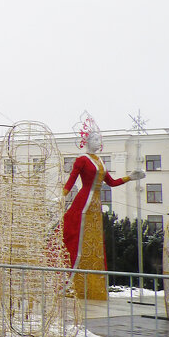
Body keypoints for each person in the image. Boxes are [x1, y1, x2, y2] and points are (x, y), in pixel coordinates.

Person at [62, 114, 144, 300]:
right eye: (95, 138)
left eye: (100, 139)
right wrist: (62, 196)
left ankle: (91, 286)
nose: (98, 142)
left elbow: (112, 183)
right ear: (87, 140)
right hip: (84, 202)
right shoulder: (82, 160)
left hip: (96, 205)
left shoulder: (100, 161)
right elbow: (72, 180)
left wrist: (131, 177)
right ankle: (71, 281)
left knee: (94, 243)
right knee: (77, 238)